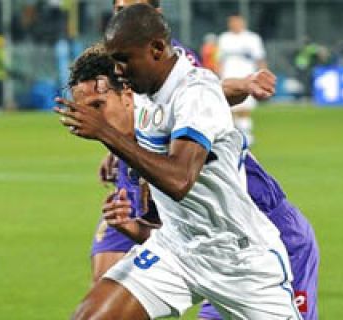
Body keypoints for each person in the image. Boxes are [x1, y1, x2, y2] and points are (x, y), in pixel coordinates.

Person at [56, 5, 301, 319]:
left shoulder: (195, 94)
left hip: (240, 261)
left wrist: (105, 133)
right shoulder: (145, 89)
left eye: (123, 59)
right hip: (176, 250)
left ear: (157, 49)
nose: (118, 70)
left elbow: (179, 180)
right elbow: (137, 121)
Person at [91, 0, 276, 287]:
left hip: (170, 187)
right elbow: (132, 108)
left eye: (132, 7)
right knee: (103, 285)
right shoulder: (117, 52)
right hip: (134, 180)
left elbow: (199, 97)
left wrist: (242, 84)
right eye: (118, 8)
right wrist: (116, 151)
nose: (124, 14)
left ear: (156, 15)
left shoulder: (172, 58)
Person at [218, 15, 267, 145]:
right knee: (229, 107)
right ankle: (232, 136)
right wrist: (217, 75)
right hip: (228, 76)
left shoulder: (252, 38)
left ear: (243, 23)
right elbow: (220, 60)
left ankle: (247, 135)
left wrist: (263, 76)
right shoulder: (224, 38)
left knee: (245, 108)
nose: (234, 24)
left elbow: (260, 59)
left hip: (247, 77)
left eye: (237, 22)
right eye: (232, 22)